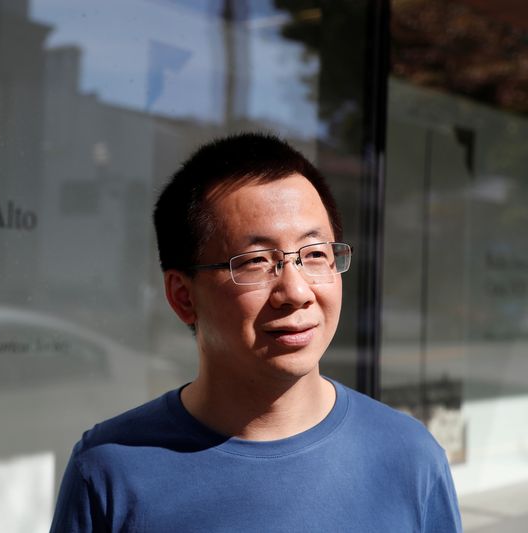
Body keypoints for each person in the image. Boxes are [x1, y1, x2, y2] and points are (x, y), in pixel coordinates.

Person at [50, 133, 462, 532]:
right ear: (182, 296)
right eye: (255, 262)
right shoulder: (111, 469)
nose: (296, 292)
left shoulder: (408, 456)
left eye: (315, 255)